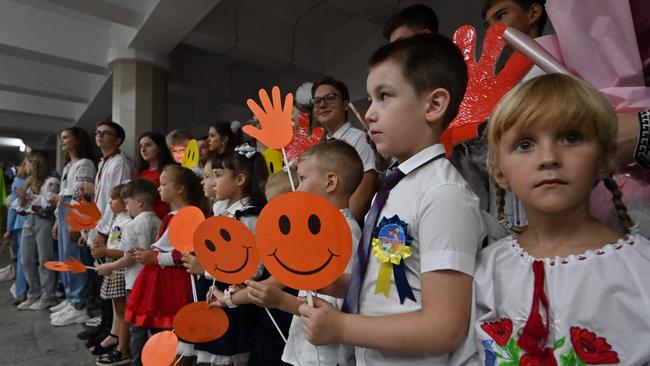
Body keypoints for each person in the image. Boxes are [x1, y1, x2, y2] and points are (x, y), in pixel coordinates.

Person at [298, 34, 485, 365]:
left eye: (384, 97)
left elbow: (444, 328)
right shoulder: (396, 188)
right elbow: (389, 281)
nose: (369, 114)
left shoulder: (443, 195)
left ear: (434, 105)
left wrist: (341, 327)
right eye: (370, 99)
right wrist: (333, 283)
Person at [455, 73, 650, 364]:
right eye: (524, 144)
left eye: (571, 137)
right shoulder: (486, 272)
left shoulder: (641, 270)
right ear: (499, 172)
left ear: (606, 158)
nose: (548, 157)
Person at [245, 140, 364, 365]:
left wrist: (281, 301)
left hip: (328, 357)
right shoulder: (323, 230)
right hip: (308, 350)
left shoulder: (345, 234)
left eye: (302, 179)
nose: (297, 189)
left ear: (330, 182)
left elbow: (337, 309)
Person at [182, 145, 269, 365]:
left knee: (224, 357)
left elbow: (254, 269)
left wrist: (206, 269)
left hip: (233, 302)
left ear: (240, 180)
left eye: (218, 176)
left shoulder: (248, 218)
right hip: (214, 293)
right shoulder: (223, 211)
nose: (211, 182)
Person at [125, 165, 206, 364]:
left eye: (163, 184)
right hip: (163, 278)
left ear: (179, 189)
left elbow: (185, 254)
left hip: (176, 281)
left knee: (176, 330)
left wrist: (156, 258)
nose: (159, 188)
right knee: (165, 331)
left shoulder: (189, 216)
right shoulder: (171, 215)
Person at [95, 179, 161, 366]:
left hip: (135, 284)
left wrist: (109, 267)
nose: (126, 207)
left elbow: (130, 256)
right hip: (154, 284)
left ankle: (137, 362)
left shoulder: (132, 225)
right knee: (155, 326)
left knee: (137, 328)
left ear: (138, 202)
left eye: (127, 203)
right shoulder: (160, 221)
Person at [311, 76, 378, 222]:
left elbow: (365, 188)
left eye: (330, 97)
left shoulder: (359, 139)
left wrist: (339, 227)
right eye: (317, 101)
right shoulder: (318, 147)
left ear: (346, 104)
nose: (322, 105)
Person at [50, 127, 97, 327]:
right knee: (65, 257)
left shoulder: (85, 164)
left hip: (73, 212)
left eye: (65, 138)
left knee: (75, 258)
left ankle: (79, 305)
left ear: (77, 140)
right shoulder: (70, 165)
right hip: (63, 211)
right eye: (60, 138)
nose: (62, 141)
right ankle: (71, 298)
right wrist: (56, 221)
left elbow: (82, 195)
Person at [89, 184, 131, 360]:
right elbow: (115, 245)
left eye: (113, 200)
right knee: (118, 310)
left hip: (120, 268)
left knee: (122, 312)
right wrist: (103, 249)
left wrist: (105, 252)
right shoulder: (118, 219)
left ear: (124, 201)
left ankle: (123, 348)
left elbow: (126, 252)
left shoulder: (127, 222)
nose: (110, 204)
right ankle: (119, 343)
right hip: (112, 267)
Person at [16, 150, 61, 311]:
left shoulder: (51, 181)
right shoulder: (29, 181)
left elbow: (49, 204)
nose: (25, 165)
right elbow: (20, 206)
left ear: (36, 163)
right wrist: (22, 199)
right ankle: (33, 294)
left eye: (28, 162)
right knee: (26, 259)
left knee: (45, 260)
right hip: (29, 221)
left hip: (44, 221)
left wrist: (28, 199)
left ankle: (48, 295)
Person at [3, 157, 29, 305]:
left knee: (22, 260)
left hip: (20, 224)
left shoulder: (18, 182)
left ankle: (21, 292)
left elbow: (13, 207)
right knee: (26, 260)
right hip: (26, 224)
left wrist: (9, 229)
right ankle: (23, 291)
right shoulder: (27, 182)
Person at [136, 131, 174, 219]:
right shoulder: (140, 172)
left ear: (160, 147)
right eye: (141, 146)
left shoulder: (169, 171)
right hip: (141, 219)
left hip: (162, 217)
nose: (143, 149)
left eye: (148, 145)